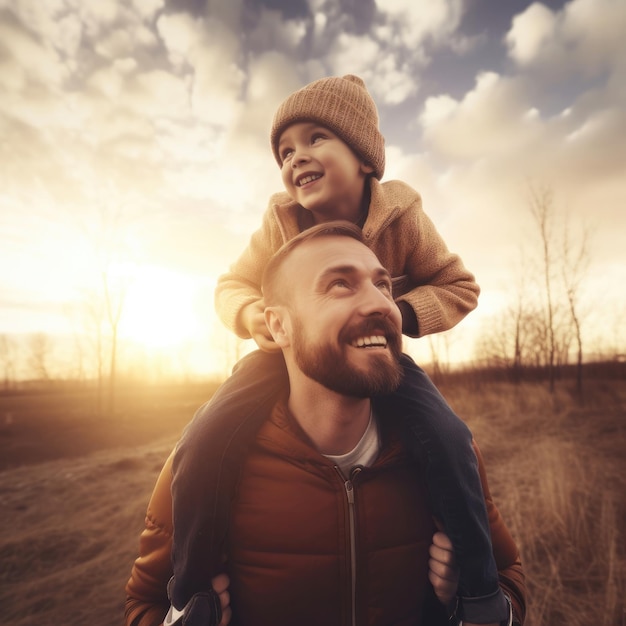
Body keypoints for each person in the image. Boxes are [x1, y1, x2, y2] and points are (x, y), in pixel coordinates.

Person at [169, 74, 505, 624]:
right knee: (206, 435)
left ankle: (478, 589)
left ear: (365, 157)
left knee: (448, 436)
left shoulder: (401, 215)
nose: (296, 157)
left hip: (378, 353)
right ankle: (193, 594)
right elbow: (232, 284)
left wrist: (396, 317)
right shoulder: (279, 220)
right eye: (285, 150)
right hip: (282, 354)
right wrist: (257, 316)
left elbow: (459, 285)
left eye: (315, 138)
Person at [125, 222, 526, 626]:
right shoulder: (204, 463)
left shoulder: (448, 453)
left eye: (384, 286)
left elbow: (509, 574)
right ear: (278, 325)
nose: (383, 305)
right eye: (339, 285)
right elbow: (144, 601)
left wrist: (470, 606)